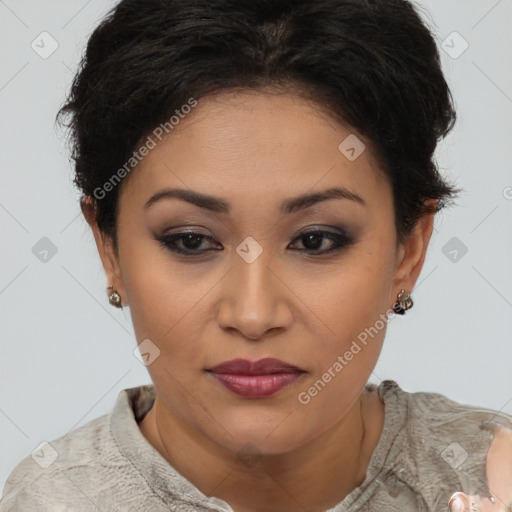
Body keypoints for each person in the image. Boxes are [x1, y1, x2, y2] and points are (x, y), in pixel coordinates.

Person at [1, 0, 511, 511]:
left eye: (315, 240)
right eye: (191, 240)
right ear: (108, 248)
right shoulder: (49, 500)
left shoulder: (491, 475)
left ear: (410, 249)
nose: (252, 315)